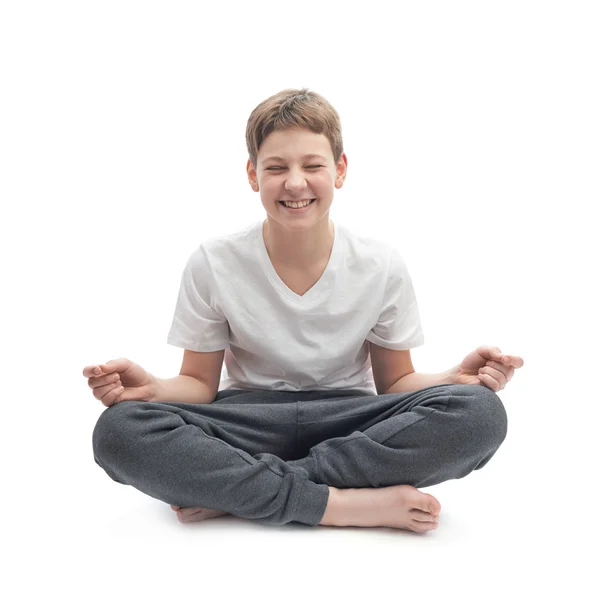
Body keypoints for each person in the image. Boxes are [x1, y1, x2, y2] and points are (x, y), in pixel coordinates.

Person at [85, 88, 523, 532]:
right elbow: (199, 384)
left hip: (349, 418)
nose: (295, 183)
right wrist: (154, 389)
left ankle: (245, 491)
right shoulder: (213, 262)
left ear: (340, 170)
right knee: (120, 431)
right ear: (254, 175)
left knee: (478, 414)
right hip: (246, 418)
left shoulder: (380, 264)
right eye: (276, 168)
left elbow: (395, 384)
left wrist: (454, 379)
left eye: (312, 165)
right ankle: (342, 505)